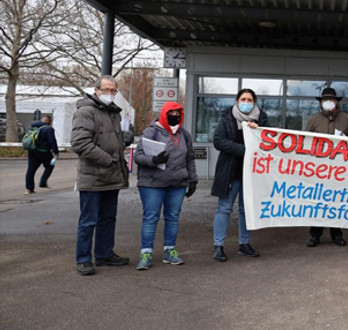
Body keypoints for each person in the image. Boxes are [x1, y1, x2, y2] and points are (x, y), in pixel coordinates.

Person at [71, 75, 134, 276]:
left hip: (112, 176)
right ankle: (83, 259)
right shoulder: (86, 112)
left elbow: (109, 140)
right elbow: (80, 143)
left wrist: (123, 140)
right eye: (106, 90)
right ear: (96, 90)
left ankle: (104, 254)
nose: (109, 94)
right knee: (88, 221)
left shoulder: (113, 113)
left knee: (108, 218)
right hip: (93, 176)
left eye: (113, 90)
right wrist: (107, 159)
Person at [133, 102, 198, 270]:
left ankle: (170, 250)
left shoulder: (184, 134)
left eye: (178, 113)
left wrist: (193, 179)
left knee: (173, 217)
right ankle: (146, 253)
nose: (175, 116)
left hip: (177, 183)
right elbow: (138, 156)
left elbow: (189, 158)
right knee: (151, 217)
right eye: (171, 113)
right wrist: (153, 160)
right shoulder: (151, 131)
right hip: (152, 184)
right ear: (164, 114)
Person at [211, 88, 269, 262]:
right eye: (243, 99)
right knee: (224, 209)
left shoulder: (262, 119)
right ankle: (218, 246)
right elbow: (218, 141)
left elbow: (269, 140)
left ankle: (244, 244)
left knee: (247, 210)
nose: (246, 102)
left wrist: (258, 131)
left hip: (251, 174)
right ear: (237, 101)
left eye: (250, 100)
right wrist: (245, 150)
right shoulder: (227, 117)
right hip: (230, 172)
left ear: (254, 102)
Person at [305, 87, 348, 247]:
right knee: (317, 202)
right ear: (321, 102)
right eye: (325, 100)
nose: (328, 102)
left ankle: (337, 234)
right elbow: (305, 143)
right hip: (318, 169)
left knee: (337, 201)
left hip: (339, 169)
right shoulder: (313, 120)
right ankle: (315, 234)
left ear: (336, 101)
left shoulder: (347, 119)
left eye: (331, 99)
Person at [24, 114, 59, 194]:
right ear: (48, 121)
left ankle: (29, 189)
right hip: (44, 152)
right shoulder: (48, 129)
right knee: (49, 166)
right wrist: (55, 151)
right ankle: (43, 182)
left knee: (31, 170)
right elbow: (52, 141)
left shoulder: (32, 128)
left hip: (32, 151)